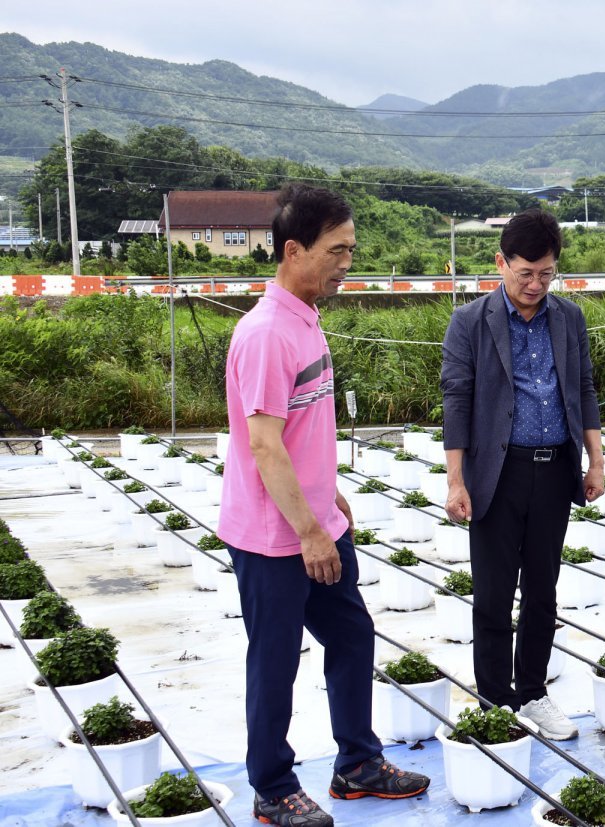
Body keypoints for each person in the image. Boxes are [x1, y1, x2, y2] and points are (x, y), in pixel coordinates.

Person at [219, 184, 430, 827]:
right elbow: (262, 444)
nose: (347, 263)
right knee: (276, 658)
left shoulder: (305, 319)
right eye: (336, 251)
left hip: (316, 521)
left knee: (351, 635)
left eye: (351, 250)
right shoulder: (263, 335)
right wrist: (309, 529)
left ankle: (357, 764)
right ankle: (273, 787)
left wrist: (327, 493)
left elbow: (304, 433)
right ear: (293, 250)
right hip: (274, 535)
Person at [440, 208, 604, 739]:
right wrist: (455, 479)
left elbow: (583, 389)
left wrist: (595, 460)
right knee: (492, 591)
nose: (535, 284)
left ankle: (533, 692)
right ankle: (495, 700)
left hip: (556, 468)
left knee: (543, 588)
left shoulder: (569, 318)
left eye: (546, 274)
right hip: (498, 472)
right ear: (501, 263)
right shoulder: (470, 321)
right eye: (524, 272)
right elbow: (457, 401)